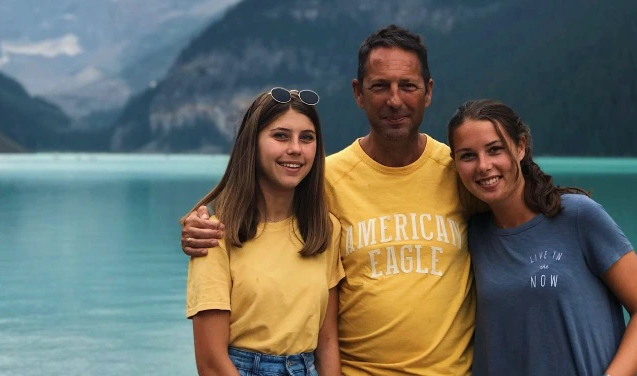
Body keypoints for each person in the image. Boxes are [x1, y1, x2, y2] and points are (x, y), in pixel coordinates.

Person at [183, 25, 476, 375]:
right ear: (359, 93)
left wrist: (558, 207)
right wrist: (197, 228)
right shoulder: (323, 180)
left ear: (428, 92)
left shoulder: (461, 173)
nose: (394, 100)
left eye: (408, 86)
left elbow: (517, 208)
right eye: (380, 86)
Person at [447, 99, 637, 376]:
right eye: (467, 156)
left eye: (495, 150)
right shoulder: (470, 234)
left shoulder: (578, 217)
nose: (483, 166)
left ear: (520, 146)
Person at [185, 87, 344, 376]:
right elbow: (211, 362)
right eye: (280, 135)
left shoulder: (324, 230)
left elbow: (327, 342)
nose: (295, 148)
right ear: (252, 144)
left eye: (306, 138)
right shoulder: (215, 234)